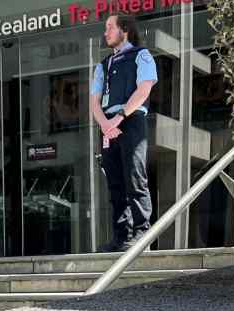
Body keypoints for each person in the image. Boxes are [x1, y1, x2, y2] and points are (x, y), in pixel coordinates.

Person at [90, 14, 157, 252]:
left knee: (135, 177)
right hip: (109, 125)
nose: (105, 32)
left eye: (110, 27)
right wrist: (106, 125)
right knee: (115, 182)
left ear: (124, 30)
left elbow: (143, 90)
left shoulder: (142, 56)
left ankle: (142, 233)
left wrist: (119, 118)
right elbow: (94, 102)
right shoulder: (103, 65)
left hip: (131, 120)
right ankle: (121, 236)